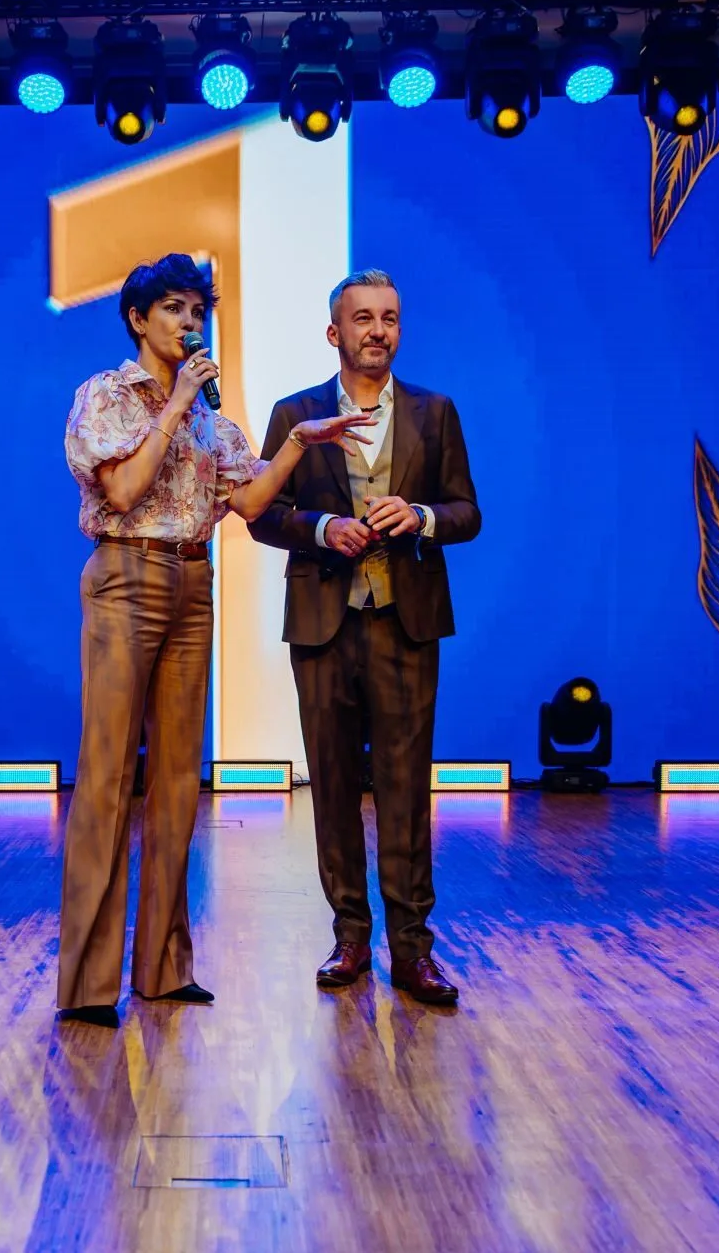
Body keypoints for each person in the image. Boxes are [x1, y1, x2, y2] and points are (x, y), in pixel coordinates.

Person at [57, 254, 376, 1029]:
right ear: (138, 319)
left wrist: (297, 443)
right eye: (173, 308)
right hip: (126, 577)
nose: (189, 323)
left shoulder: (212, 420)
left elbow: (252, 503)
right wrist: (174, 406)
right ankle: (89, 984)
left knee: (177, 782)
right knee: (109, 777)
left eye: (197, 311)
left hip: (192, 583)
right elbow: (122, 490)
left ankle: (164, 969)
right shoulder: (107, 396)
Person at [248, 269, 481, 1007]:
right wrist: (322, 528)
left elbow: (467, 511)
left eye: (389, 318)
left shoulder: (435, 412)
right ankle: (350, 936)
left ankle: (413, 949)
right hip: (324, 624)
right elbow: (260, 513)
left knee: (407, 790)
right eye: (363, 318)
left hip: (406, 623)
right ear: (334, 332)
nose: (378, 330)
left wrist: (422, 517)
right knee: (334, 784)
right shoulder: (296, 414)